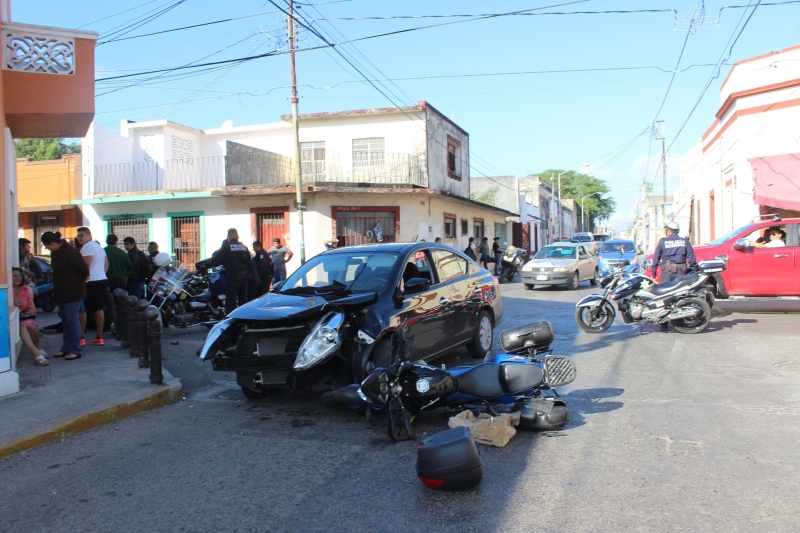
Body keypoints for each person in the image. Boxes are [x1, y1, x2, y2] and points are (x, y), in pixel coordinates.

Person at [41, 231, 89, 360]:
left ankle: (75, 348)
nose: (47, 249)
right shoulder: (56, 252)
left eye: (47, 246)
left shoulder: (71, 252)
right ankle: (67, 347)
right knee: (66, 320)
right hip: (62, 291)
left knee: (72, 319)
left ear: (52, 243)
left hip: (73, 291)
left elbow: (83, 270)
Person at [77, 227, 109, 346]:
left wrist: (84, 277)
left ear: (89, 235)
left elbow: (85, 265)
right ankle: (99, 337)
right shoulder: (99, 247)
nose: (79, 238)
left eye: (82, 235)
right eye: (78, 236)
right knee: (99, 308)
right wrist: (102, 273)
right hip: (102, 279)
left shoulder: (87, 247)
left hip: (91, 282)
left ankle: (81, 337)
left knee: (82, 309)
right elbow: (106, 264)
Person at [12, 267, 48, 366]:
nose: (17, 278)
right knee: (23, 326)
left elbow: (32, 308)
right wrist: (12, 303)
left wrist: (27, 312)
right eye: (14, 276)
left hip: (25, 316)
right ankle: (36, 353)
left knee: (31, 325)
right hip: (14, 319)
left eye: (19, 275)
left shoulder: (26, 289)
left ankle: (38, 347)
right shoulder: (7, 291)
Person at [211, 229, 253, 314]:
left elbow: (215, 262)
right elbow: (250, 264)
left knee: (231, 301)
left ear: (228, 237)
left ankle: (232, 322)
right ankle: (243, 320)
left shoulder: (227, 247)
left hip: (233, 277)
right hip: (244, 278)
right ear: (237, 237)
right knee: (243, 301)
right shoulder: (244, 247)